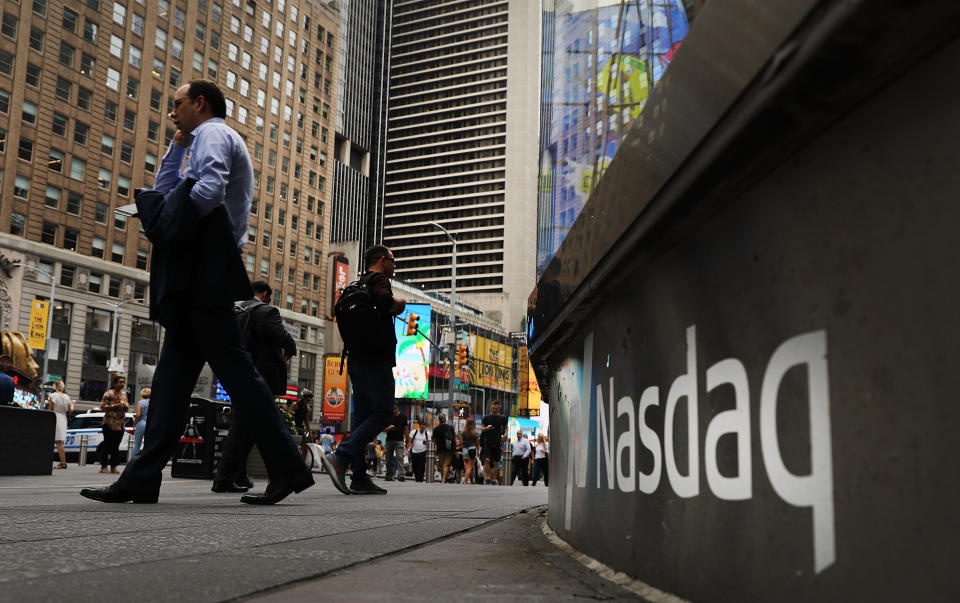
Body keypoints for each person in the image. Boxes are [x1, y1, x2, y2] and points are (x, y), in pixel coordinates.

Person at [81, 80, 311, 505]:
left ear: (199, 103)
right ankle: (141, 477)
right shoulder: (199, 138)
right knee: (169, 386)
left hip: (205, 271)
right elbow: (165, 190)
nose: (173, 112)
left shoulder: (214, 133)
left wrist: (168, 225)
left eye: (178, 105)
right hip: (198, 271)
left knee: (240, 377)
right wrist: (175, 147)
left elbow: (208, 190)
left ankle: (289, 468)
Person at [321, 244, 405, 495]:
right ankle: (342, 456)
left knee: (362, 417)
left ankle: (358, 476)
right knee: (383, 414)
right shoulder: (379, 279)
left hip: (356, 360)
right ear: (382, 260)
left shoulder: (356, 285)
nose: (394, 266)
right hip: (375, 360)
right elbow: (387, 303)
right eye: (393, 260)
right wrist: (399, 303)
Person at [212, 280, 298, 494]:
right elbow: (282, 336)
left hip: (236, 372)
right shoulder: (266, 311)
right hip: (260, 377)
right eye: (269, 296)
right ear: (266, 293)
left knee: (250, 428)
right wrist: (291, 347)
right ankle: (223, 479)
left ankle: (238, 475)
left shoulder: (234, 310)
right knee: (243, 426)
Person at [99, 375, 129, 474]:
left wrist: (125, 406)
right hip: (109, 423)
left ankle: (114, 466)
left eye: (123, 382)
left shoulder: (124, 394)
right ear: (115, 383)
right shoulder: (108, 393)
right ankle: (104, 466)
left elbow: (126, 407)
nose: (122, 384)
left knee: (116, 446)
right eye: (120, 382)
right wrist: (116, 405)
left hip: (120, 423)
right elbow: (103, 407)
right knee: (107, 445)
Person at [47, 380, 74, 469]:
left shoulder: (52, 396)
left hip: (54, 417)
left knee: (53, 441)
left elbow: (50, 409)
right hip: (63, 418)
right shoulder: (67, 397)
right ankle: (63, 462)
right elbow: (70, 410)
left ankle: (61, 463)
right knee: (59, 442)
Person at [480, 400, 508, 485]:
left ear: (499, 407)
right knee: (487, 460)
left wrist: (505, 435)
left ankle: (493, 479)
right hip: (487, 441)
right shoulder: (486, 417)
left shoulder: (503, 418)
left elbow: (506, 428)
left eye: (496, 408)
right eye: (492, 408)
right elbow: (482, 428)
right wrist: (487, 428)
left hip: (497, 442)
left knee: (496, 462)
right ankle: (488, 477)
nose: (494, 409)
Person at [383, 403, 407, 481]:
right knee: (388, 458)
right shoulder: (388, 416)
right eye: (392, 408)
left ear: (398, 408)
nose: (394, 410)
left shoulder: (403, 417)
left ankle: (401, 475)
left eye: (395, 408)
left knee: (400, 457)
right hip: (389, 440)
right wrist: (389, 428)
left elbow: (406, 429)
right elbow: (383, 429)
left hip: (399, 440)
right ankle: (389, 475)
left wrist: (409, 441)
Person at [432, 414, 455, 484]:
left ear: (439, 420)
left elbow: (434, 440)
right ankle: (444, 479)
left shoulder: (436, 429)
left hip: (440, 449)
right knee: (446, 464)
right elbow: (454, 438)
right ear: (445, 419)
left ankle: (443, 478)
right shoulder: (450, 427)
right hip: (449, 449)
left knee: (441, 465)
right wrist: (455, 449)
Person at [132, 388, 150, 458]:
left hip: (141, 423)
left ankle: (133, 461)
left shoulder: (140, 402)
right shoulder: (153, 403)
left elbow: (138, 415)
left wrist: (135, 423)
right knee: (148, 444)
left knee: (137, 444)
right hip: (150, 424)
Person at [460, 418, 479, 484]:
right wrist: (478, 450)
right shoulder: (474, 432)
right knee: (470, 466)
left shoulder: (463, 432)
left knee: (470, 467)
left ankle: (471, 481)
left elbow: (461, 442)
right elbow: (477, 443)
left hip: (465, 449)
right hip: (472, 448)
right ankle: (465, 481)